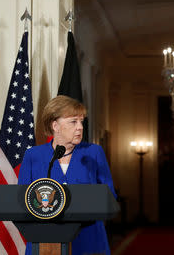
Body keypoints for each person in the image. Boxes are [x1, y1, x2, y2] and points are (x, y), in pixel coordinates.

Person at [18, 95, 116, 255]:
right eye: (73, 122)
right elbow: (22, 199)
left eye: (81, 121)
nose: (80, 127)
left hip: (88, 238)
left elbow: (110, 196)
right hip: (45, 242)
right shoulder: (33, 156)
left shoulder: (93, 152)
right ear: (55, 125)